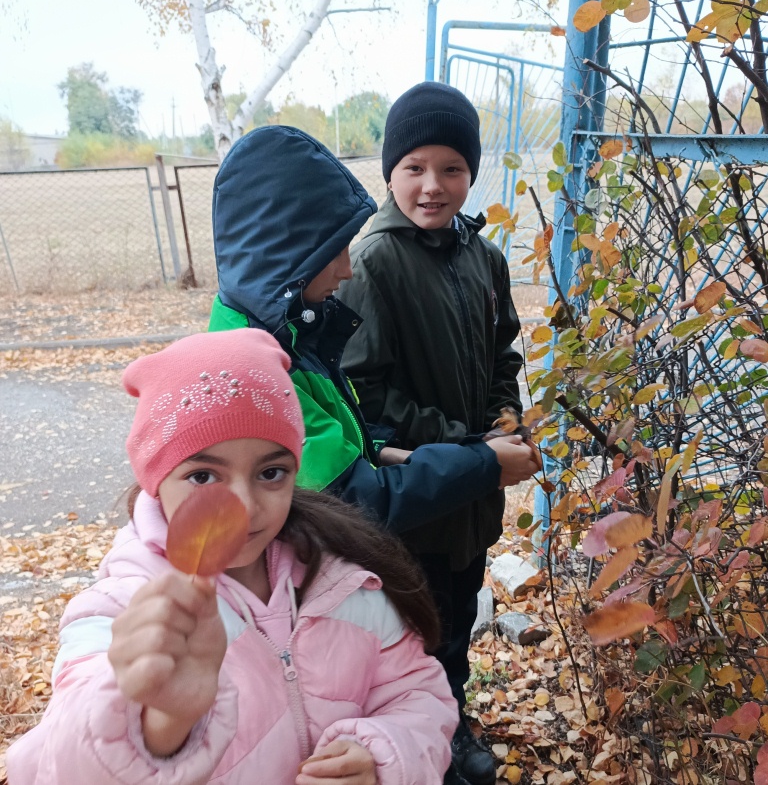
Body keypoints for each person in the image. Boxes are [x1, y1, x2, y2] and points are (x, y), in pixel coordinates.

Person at [6, 329, 459, 785]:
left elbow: (417, 696)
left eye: (271, 472)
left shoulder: (345, 580)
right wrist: (161, 722)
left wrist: (382, 755)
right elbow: (55, 764)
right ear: (155, 479)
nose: (243, 504)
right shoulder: (123, 609)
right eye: (203, 476)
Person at [338, 81, 536, 785]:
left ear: (471, 172)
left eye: (451, 168)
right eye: (415, 167)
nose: (433, 185)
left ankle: (449, 719)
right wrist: (467, 445)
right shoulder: (373, 263)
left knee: (459, 613)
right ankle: (418, 744)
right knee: (413, 633)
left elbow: (502, 355)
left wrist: (503, 420)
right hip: (414, 498)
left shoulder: (484, 260)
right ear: (389, 172)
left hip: (472, 498)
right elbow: (367, 396)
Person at [207, 125, 538, 543]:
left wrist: (389, 452)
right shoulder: (255, 371)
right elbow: (349, 497)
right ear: (288, 255)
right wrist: (481, 464)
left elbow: (345, 439)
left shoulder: (290, 334)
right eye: (334, 252)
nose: (346, 270)